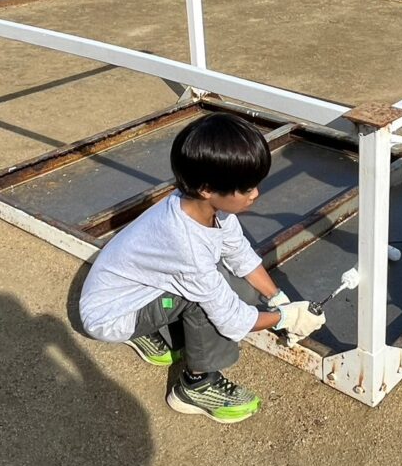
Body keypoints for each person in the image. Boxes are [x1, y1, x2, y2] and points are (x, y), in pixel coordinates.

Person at [80, 112, 326, 423]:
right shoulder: (186, 247)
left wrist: (279, 300)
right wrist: (285, 319)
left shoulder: (203, 206)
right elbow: (231, 321)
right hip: (113, 314)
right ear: (208, 188)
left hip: (134, 294)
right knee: (205, 302)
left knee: (238, 287)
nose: (255, 194)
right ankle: (196, 385)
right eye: (246, 187)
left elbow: (240, 255)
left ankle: (154, 331)